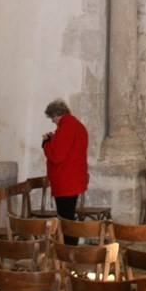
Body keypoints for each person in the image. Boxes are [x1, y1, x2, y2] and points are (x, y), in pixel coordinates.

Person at [41, 98, 88, 243]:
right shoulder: (77, 126)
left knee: (66, 219)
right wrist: (54, 139)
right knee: (69, 217)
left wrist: (46, 143)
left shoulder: (65, 128)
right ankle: (70, 250)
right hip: (74, 178)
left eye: (52, 118)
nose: (52, 121)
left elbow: (57, 156)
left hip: (65, 181)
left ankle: (68, 251)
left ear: (56, 114)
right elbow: (69, 149)